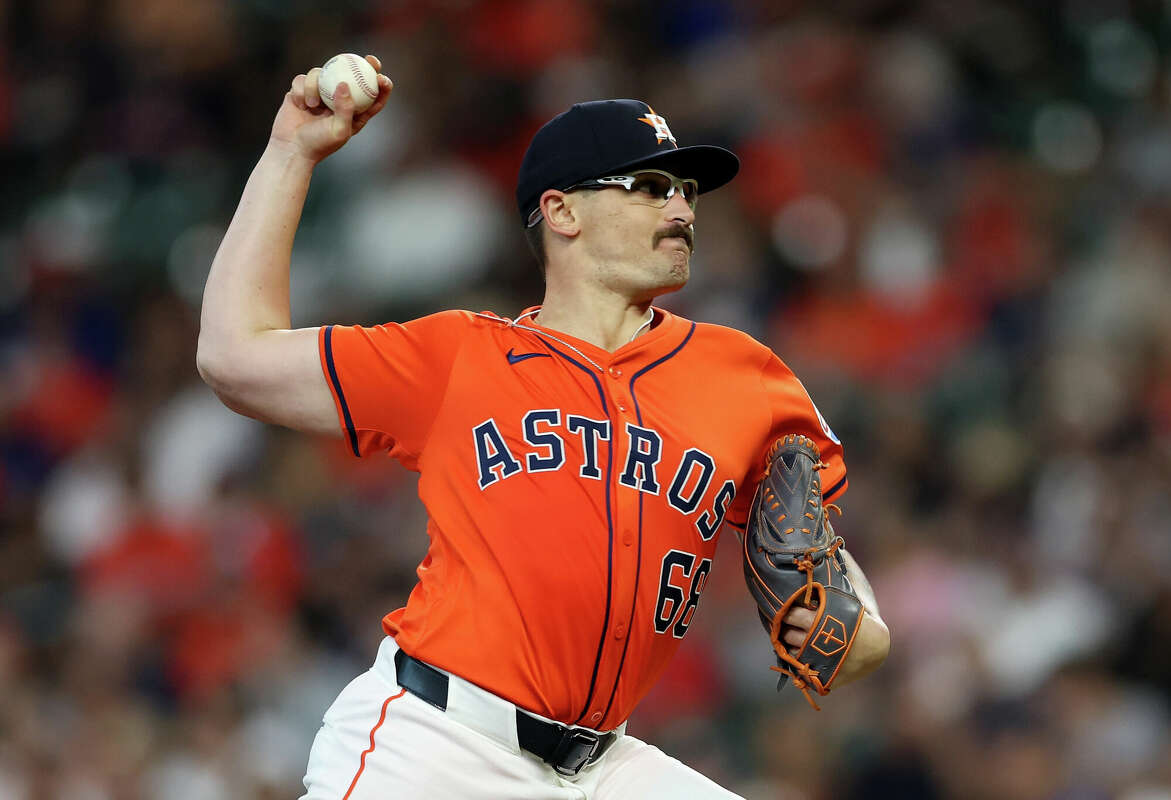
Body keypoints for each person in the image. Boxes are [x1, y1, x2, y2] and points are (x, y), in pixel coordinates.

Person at [197, 56, 889, 799]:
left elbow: (822, 568)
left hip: (604, 765)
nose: (683, 210)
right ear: (561, 212)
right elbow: (234, 357)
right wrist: (290, 152)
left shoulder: (746, 376)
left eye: (686, 191)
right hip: (440, 743)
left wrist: (857, 618)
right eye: (650, 188)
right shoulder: (460, 355)